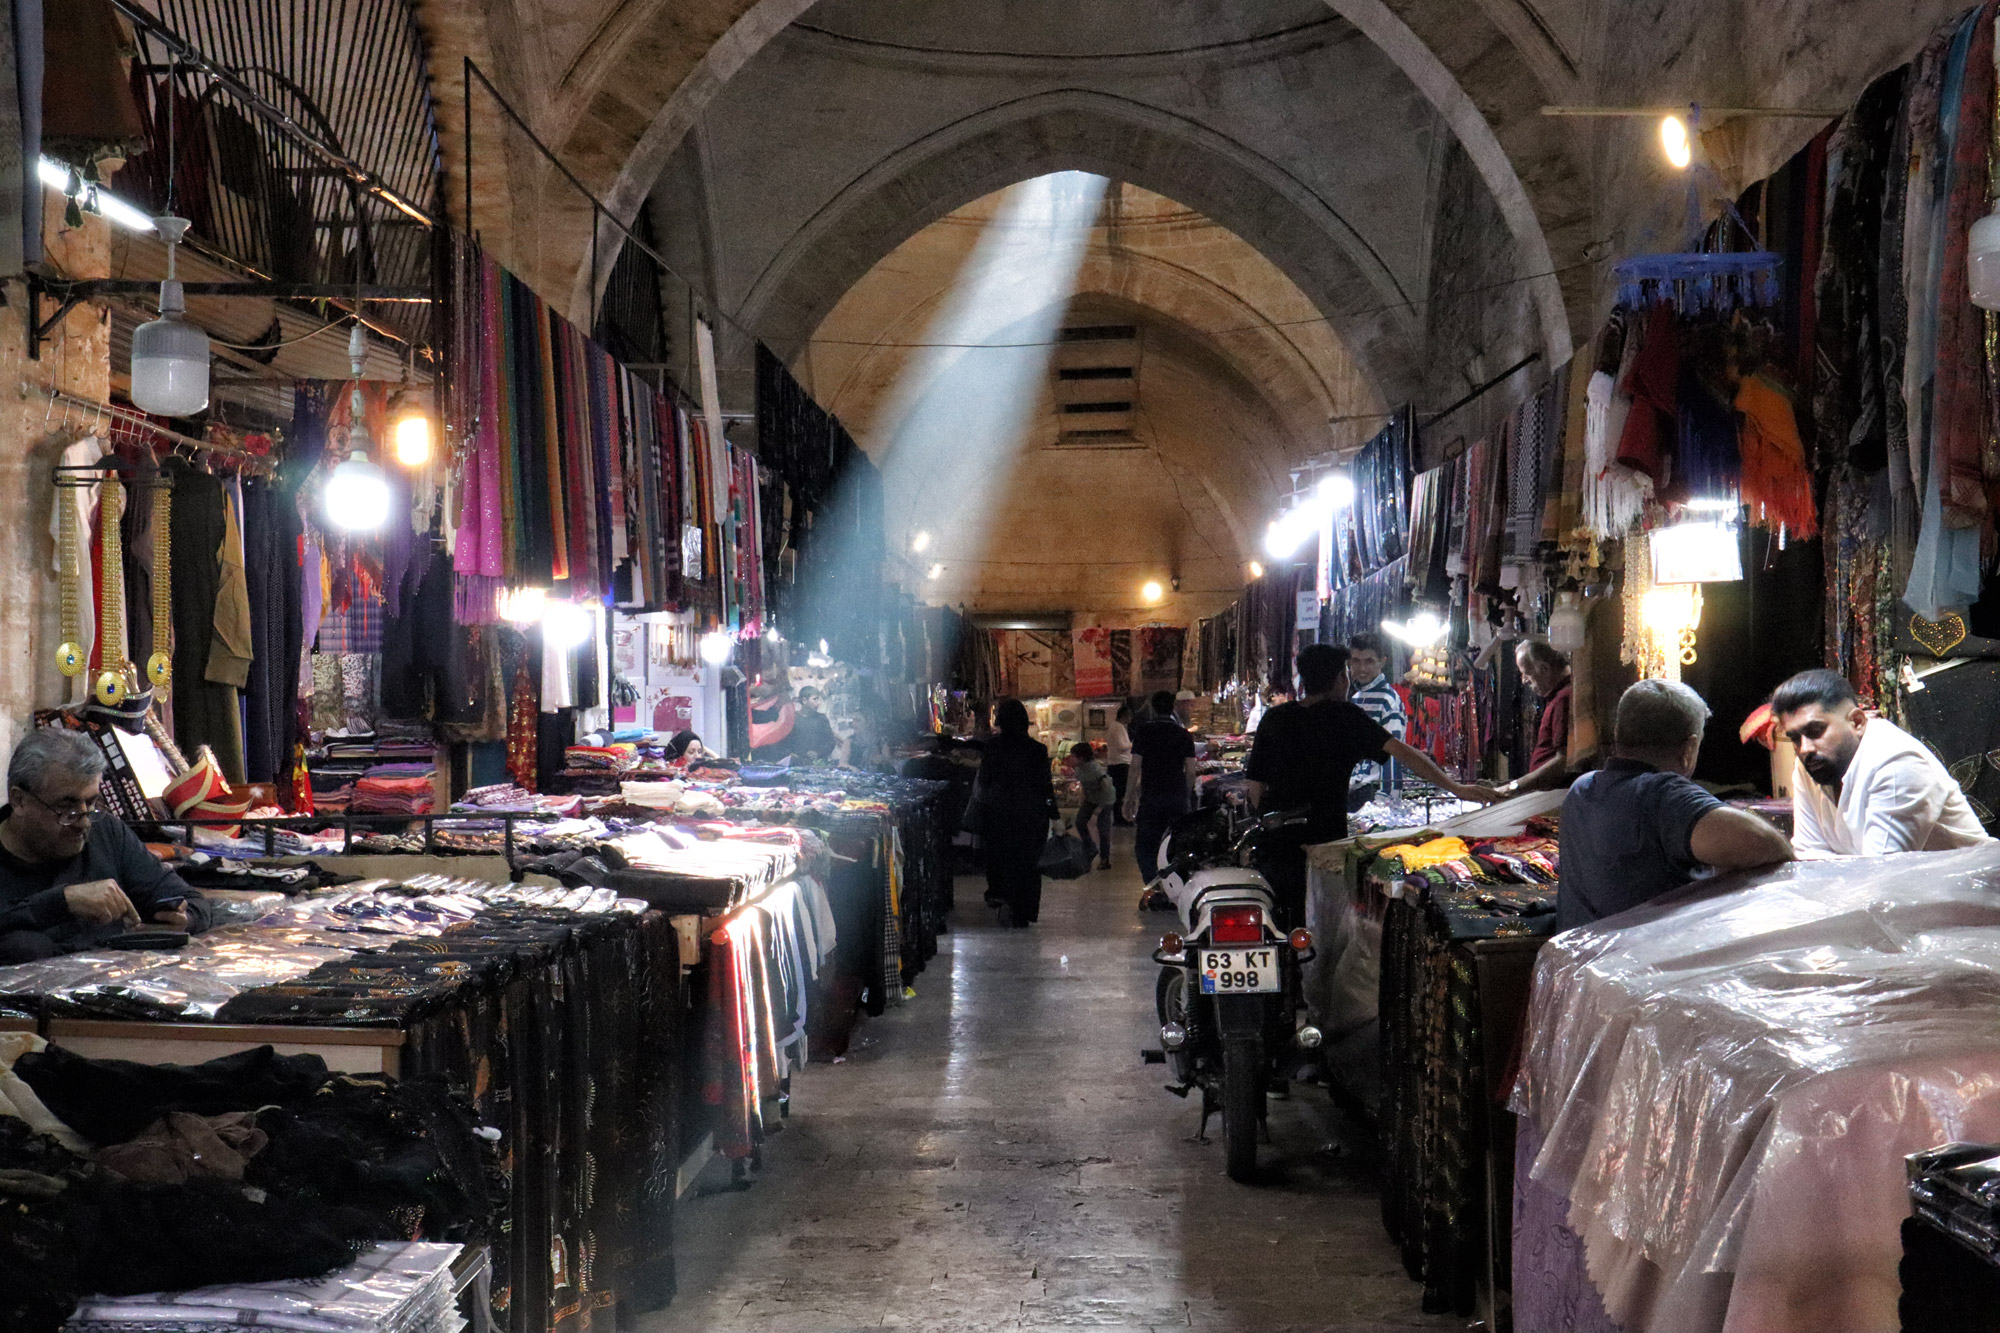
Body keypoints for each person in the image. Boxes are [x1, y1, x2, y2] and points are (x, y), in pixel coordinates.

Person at [1244, 643, 1496, 926]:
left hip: (1276, 839)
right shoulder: (1345, 717)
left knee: (1278, 920)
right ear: (1341, 677)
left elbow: (1255, 786)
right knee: (1322, 926)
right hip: (1323, 843)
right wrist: (1456, 789)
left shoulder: (1276, 717)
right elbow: (1405, 753)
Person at [1557, 679, 1794, 930]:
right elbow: (1760, 842)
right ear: (1689, 748)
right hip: (1638, 963)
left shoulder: (1581, 788)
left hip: (1578, 961)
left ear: (1618, 735)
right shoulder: (1663, 795)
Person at [0, 728, 210, 962]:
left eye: (90, 803)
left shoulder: (106, 833)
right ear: (18, 800)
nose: (83, 822)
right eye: (66, 806)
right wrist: (61, 902)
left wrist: (183, 920)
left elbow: (193, 902)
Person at [1772, 668, 1990, 858]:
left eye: (1816, 731)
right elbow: (1807, 856)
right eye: (1794, 738)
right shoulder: (1810, 764)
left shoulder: (1896, 762)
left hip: (1973, 899)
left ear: (1857, 722)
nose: (1805, 748)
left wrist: (1829, 865)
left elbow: (1881, 877)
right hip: (1910, 897)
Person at [968, 699, 1057, 927]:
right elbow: (1045, 787)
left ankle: (1004, 898)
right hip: (1032, 814)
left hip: (999, 812)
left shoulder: (993, 748)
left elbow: (985, 781)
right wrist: (1055, 816)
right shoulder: (1037, 750)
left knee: (1002, 858)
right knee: (1028, 863)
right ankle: (1023, 910)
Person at [1121, 691, 1198, 880]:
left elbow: (1135, 767)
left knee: (1146, 845)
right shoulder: (1183, 735)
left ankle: (1152, 886)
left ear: (1153, 709)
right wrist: (1185, 794)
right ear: (1173, 706)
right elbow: (1190, 771)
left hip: (1151, 796)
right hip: (1177, 797)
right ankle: (1174, 887)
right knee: (1176, 843)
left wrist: (1128, 797)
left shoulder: (1144, 732)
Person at [1491, 639, 1573, 798]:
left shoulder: (1564, 699)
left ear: (1544, 668)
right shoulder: (1558, 697)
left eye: (1526, 673)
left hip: (1555, 799)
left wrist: (1514, 787)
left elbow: (1564, 761)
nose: (1524, 680)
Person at [1344, 632, 1408, 808]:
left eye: (1369, 661)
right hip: (1354, 791)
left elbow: (1394, 754)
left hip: (1373, 795)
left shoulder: (1388, 701)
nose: (1362, 668)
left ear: (1382, 662)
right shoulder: (1356, 698)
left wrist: (1386, 802)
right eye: (1356, 661)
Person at [1068, 741, 1115, 871]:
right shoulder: (1079, 770)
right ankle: (1090, 848)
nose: (1071, 759)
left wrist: (1101, 808)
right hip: (1091, 798)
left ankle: (1104, 858)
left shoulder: (1095, 770)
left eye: (1073, 756)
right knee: (1080, 822)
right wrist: (1083, 805)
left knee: (1103, 829)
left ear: (1081, 758)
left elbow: (1106, 788)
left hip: (1106, 800)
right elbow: (1084, 787)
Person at [789, 686, 838, 763]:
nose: (818, 702)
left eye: (819, 699)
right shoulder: (792, 719)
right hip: (797, 764)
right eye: (815, 699)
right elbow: (785, 741)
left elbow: (831, 742)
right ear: (804, 700)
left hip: (818, 764)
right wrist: (790, 754)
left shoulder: (822, 719)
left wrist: (818, 753)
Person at [1104, 705, 1134, 826]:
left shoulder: (1115, 727)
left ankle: (1119, 817)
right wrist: (1132, 744)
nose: (1130, 719)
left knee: (1118, 792)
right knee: (1121, 793)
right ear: (1124, 715)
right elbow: (1122, 746)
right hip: (1120, 764)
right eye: (1129, 716)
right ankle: (1120, 818)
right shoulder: (1118, 727)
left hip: (1116, 763)